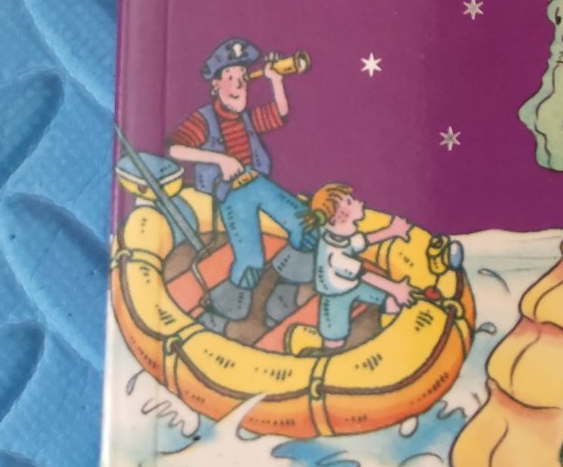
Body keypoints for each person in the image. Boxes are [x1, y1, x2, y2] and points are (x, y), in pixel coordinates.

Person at [167, 37, 315, 314]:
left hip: (256, 181)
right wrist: (220, 159)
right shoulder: (203, 119)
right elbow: (174, 148)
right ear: (216, 85)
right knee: (251, 262)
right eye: (230, 78)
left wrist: (275, 79)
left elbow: (280, 113)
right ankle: (223, 311)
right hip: (231, 193)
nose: (238, 85)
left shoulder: (245, 117)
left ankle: (285, 290)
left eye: (243, 78)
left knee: (306, 225)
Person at [306, 183, 417, 351]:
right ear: (340, 217)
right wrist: (395, 288)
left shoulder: (338, 234)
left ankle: (396, 342)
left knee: (388, 301)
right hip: (335, 297)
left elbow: (363, 241)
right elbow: (364, 274)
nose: (360, 202)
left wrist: (392, 231)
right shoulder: (336, 256)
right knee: (334, 338)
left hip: (354, 286)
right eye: (350, 202)